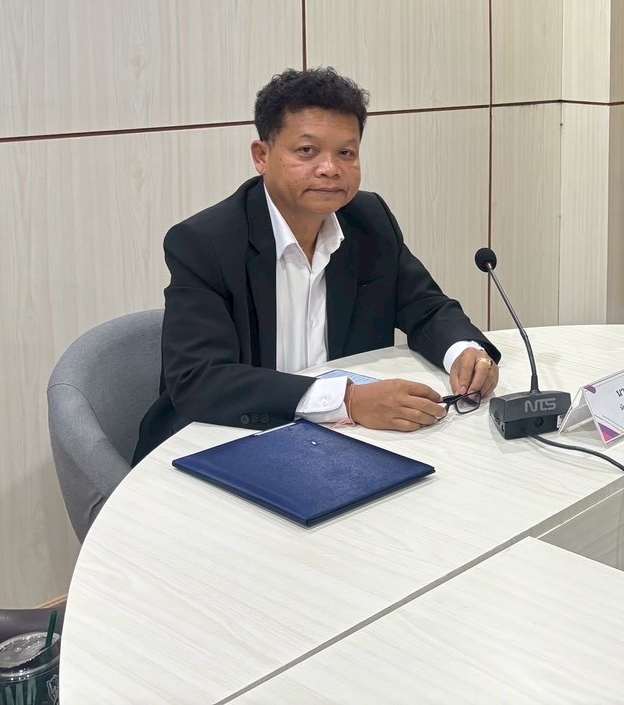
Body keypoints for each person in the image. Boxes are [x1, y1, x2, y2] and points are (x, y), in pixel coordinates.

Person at [134, 68, 501, 463]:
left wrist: (465, 351)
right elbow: (200, 379)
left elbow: (425, 307)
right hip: (223, 438)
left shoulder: (368, 220)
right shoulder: (205, 243)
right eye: (307, 151)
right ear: (262, 156)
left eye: (346, 153)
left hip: (340, 444)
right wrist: (348, 400)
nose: (330, 168)